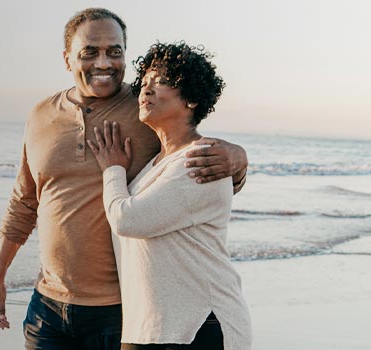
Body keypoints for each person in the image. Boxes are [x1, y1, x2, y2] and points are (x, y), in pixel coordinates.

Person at [0, 8, 249, 350]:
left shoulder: (145, 111)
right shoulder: (40, 116)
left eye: (115, 51)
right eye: (89, 52)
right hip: (47, 307)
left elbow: (192, 158)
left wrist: (238, 158)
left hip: (122, 310)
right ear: (67, 59)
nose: (104, 63)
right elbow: (24, 201)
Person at [89, 41, 252, 350]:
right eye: (144, 83)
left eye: (160, 81)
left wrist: (112, 169)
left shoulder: (201, 160)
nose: (146, 91)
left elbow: (127, 219)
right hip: (150, 328)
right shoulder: (155, 165)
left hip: (198, 326)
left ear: (190, 99)